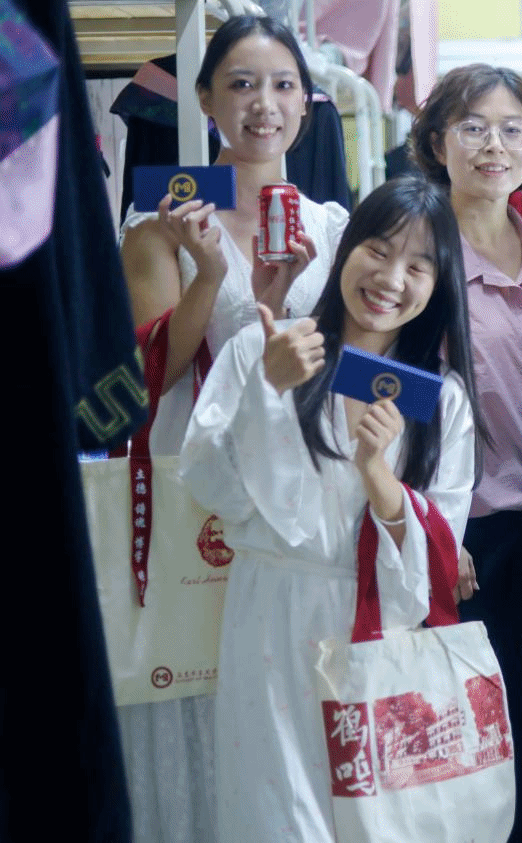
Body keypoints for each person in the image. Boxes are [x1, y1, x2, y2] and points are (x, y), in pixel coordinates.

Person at [179, 175, 479, 842]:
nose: (391, 279)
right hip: (269, 618)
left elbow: (434, 557)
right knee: (275, 816)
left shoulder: (439, 398)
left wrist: (378, 475)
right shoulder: (264, 347)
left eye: (418, 266)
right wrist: (267, 390)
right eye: (378, 249)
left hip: (376, 635)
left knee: (375, 823)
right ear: (346, 248)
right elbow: (208, 483)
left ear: (440, 284)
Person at [116, 15, 348, 841]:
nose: (264, 105)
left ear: (308, 104)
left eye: (283, 85)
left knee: (288, 697)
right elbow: (150, 375)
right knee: (191, 674)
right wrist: (212, 274)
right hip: (194, 481)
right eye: (242, 85)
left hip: (298, 501)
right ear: (205, 99)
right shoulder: (158, 225)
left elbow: (351, 370)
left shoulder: (333, 227)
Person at [409, 63, 522, 843]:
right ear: (436, 140)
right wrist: (434, 527)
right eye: (473, 127)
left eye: (512, 129)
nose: (493, 146)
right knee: (471, 727)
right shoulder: (415, 252)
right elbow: (391, 395)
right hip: (468, 531)